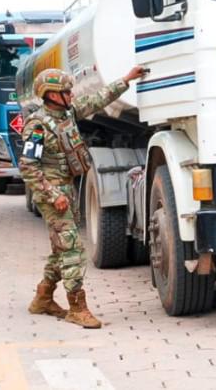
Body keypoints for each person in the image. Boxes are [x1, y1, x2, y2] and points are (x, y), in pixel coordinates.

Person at [21, 65, 146, 329]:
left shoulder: (67, 113)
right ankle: (77, 307)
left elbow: (97, 100)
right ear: (52, 95)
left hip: (66, 189)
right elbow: (28, 167)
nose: (72, 94)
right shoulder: (38, 125)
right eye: (66, 91)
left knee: (61, 248)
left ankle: (43, 298)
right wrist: (53, 194)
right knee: (74, 250)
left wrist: (126, 79)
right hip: (52, 193)